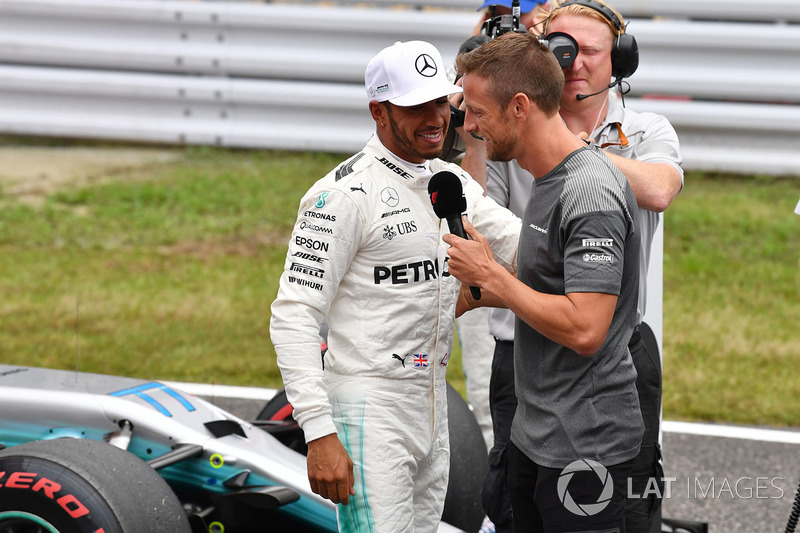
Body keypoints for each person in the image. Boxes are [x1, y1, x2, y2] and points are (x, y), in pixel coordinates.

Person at [269, 40, 521, 532]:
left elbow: (521, 247)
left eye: (439, 102)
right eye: (414, 106)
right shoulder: (340, 196)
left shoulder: (451, 182)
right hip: (369, 405)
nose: (434, 117)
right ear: (378, 111)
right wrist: (319, 432)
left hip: (431, 399)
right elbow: (293, 314)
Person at [460, 1, 684, 531]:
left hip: (597, 379)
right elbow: (477, 193)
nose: (573, 62)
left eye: (589, 51)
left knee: (620, 507)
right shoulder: (536, 164)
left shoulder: (590, 165)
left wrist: (567, 149)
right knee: (516, 507)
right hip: (532, 370)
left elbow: (656, 190)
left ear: (619, 61)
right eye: (560, 49)